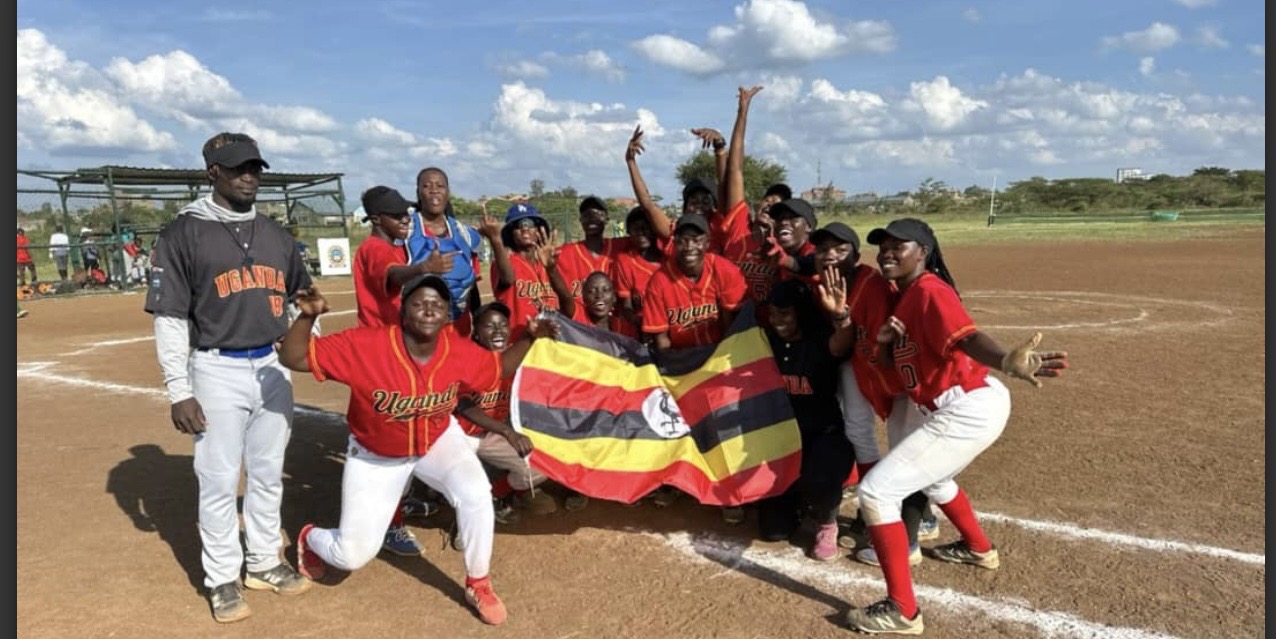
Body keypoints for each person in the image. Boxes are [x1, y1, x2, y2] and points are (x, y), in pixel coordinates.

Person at [279, 274, 559, 626]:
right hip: (376, 455)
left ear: (447, 316)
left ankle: (479, 582)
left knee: (475, 493)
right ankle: (311, 536)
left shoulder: (457, 349)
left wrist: (530, 336)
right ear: (403, 312)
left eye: (438, 303)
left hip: (437, 440)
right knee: (350, 555)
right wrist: (306, 317)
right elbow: (295, 358)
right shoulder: (366, 345)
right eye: (419, 302)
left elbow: (498, 367)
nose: (429, 308)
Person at [842, 217, 1069, 635]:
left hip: (965, 407)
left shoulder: (928, 290)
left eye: (900, 246)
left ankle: (902, 611)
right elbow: (903, 374)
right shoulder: (906, 299)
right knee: (936, 481)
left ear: (923, 253)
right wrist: (886, 348)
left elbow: (967, 338)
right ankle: (978, 548)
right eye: (883, 245)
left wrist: (1004, 361)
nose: (887, 252)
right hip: (950, 408)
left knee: (876, 492)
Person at [144, 132, 314, 624]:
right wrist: (179, 390)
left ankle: (263, 561)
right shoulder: (184, 232)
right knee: (218, 480)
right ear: (211, 172)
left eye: (255, 167)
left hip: (273, 368)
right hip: (216, 367)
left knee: (266, 473)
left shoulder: (276, 235)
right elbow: (171, 318)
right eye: (237, 167)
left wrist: (307, 337)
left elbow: (303, 301)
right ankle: (221, 576)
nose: (249, 176)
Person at [351, 185, 446, 557]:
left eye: (407, 214)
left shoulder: (387, 245)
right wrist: (423, 268)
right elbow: (392, 275)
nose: (406, 219)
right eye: (397, 215)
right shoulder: (375, 248)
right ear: (376, 219)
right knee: (389, 442)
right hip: (379, 355)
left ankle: (395, 507)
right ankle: (389, 524)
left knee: (401, 436)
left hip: (391, 350)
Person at [641, 213, 748, 522]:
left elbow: (731, 325)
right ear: (674, 243)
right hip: (681, 360)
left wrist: (720, 367)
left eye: (697, 239)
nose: (689, 245)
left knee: (725, 427)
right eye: (683, 239)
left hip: (719, 356)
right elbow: (661, 340)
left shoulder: (723, 269)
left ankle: (730, 491)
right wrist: (675, 376)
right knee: (679, 424)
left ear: (707, 242)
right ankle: (678, 482)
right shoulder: (660, 280)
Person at [755, 277, 856, 562]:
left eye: (785, 313)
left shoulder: (819, 340)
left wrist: (841, 316)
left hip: (822, 433)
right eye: (773, 313)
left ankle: (827, 521)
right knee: (772, 531)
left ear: (801, 311)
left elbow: (842, 342)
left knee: (820, 475)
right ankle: (799, 501)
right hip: (783, 437)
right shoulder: (767, 341)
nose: (777, 320)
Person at [456, 301, 557, 520]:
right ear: (476, 333)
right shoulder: (466, 356)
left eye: (502, 325)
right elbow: (463, 405)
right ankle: (466, 518)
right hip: (459, 437)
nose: (498, 330)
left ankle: (499, 493)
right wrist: (507, 432)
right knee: (464, 489)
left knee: (542, 466)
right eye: (490, 326)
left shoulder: (514, 355)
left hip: (492, 435)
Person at [553, 195, 669, 314]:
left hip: (615, 323)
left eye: (598, 214)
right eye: (586, 214)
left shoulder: (621, 245)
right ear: (580, 220)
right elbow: (541, 260)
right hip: (580, 324)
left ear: (607, 219)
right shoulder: (565, 253)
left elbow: (659, 236)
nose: (592, 217)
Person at [404, 167, 485, 336]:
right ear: (418, 192)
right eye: (427, 186)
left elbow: (472, 286)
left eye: (440, 186)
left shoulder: (466, 235)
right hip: (418, 334)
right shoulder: (405, 233)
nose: (434, 190)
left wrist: (478, 320)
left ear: (448, 192)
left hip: (458, 330)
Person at [490, 203, 562, 342]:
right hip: (519, 341)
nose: (525, 228)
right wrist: (495, 240)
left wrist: (551, 267)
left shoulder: (550, 262)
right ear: (511, 233)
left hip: (552, 340)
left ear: (539, 230)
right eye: (518, 225)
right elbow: (507, 279)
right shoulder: (505, 263)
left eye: (530, 223)